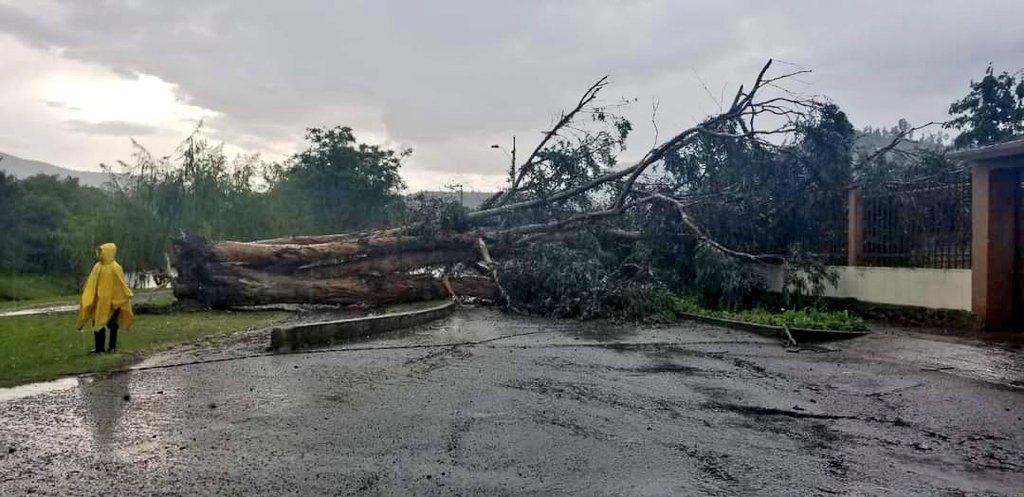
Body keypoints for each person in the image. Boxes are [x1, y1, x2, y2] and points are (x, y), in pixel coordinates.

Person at [77, 243, 134, 353]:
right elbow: (92, 283)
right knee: (97, 323)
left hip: (113, 302)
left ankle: (112, 348)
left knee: (112, 325)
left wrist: (119, 299)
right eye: (99, 252)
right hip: (99, 301)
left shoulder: (115, 267)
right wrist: (90, 297)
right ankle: (99, 348)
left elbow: (120, 284)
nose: (100, 255)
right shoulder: (97, 267)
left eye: (102, 252)